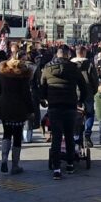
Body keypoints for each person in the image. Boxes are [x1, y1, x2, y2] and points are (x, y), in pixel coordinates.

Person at [39, 45, 87, 180]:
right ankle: (70, 164)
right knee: (70, 136)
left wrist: (44, 100)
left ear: (57, 54)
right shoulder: (74, 68)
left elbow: (42, 86)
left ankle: (56, 168)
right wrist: (80, 101)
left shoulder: (47, 68)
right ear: (67, 55)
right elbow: (83, 86)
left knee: (56, 138)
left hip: (54, 106)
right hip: (70, 106)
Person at [0, 55, 35, 174]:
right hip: (19, 108)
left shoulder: (2, 75)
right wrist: (31, 110)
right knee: (17, 136)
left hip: (4, 106)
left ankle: (3, 159)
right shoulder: (23, 77)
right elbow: (27, 95)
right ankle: (15, 165)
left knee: (6, 133)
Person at [73, 45, 100, 147]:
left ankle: (77, 135)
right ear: (84, 53)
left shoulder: (71, 64)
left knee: (76, 114)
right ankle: (87, 134)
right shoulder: (89, 64)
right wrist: (94, 91)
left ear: (76, 53)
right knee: (89, 114)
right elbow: (95, 80)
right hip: (88, 92)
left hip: (74, 93)